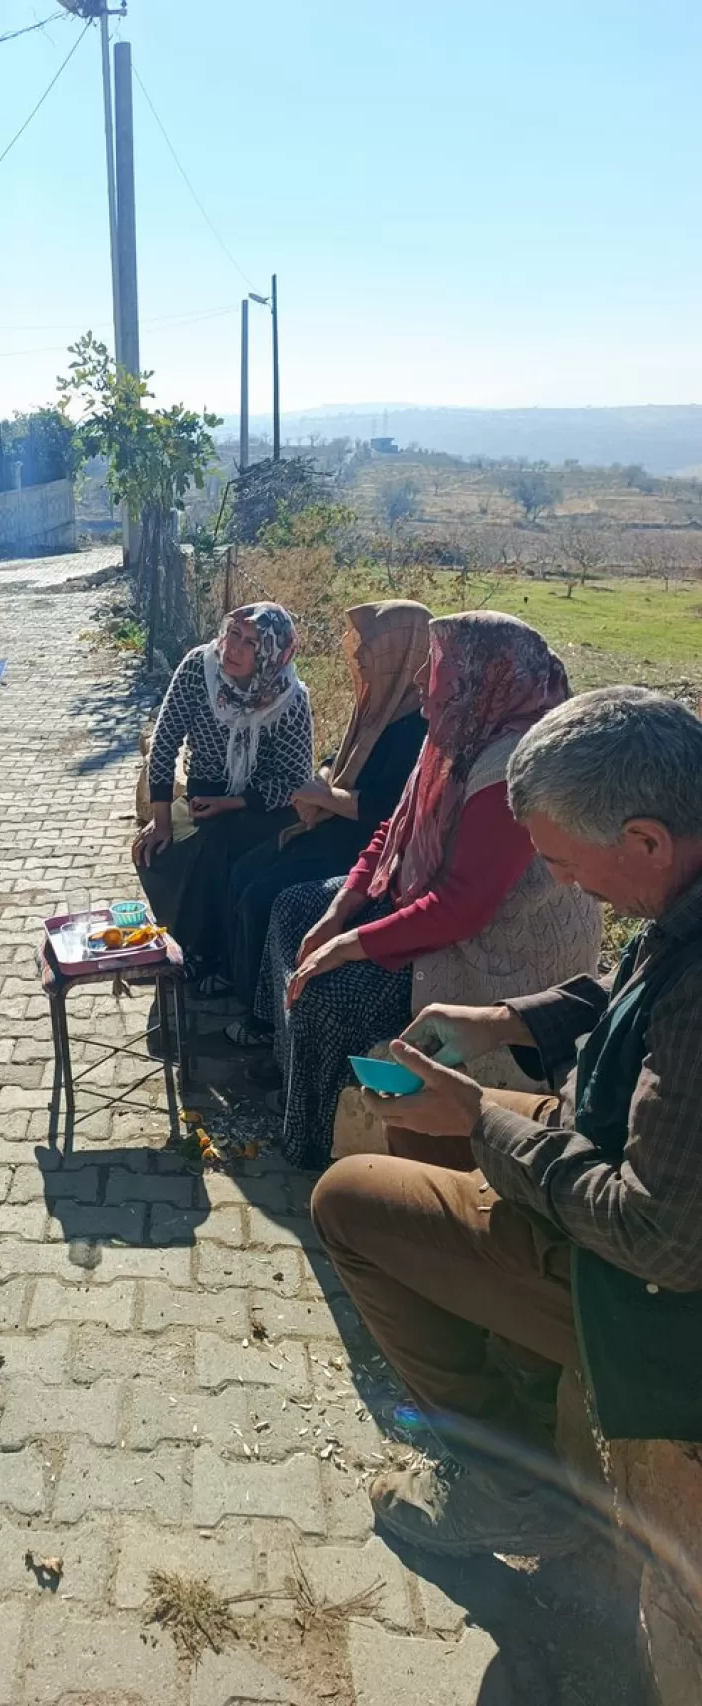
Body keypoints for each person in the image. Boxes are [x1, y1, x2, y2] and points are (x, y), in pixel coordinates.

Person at [311, 688, 702, 1556]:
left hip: (652, 1299)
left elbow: (656, 1236)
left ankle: (506, 1484)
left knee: (344, 1201)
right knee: (422, 1122)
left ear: (644, 839)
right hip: (614, 1149)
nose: (561, 883)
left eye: (564, 862)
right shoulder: (682, 890)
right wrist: (508, 1021)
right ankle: (516, 1364)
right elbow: (630, 986)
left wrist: (484, 1119)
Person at [254, 611, 602, 1171]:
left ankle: (316, 1142)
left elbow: (460, 910)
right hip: (430, 899)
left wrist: (345, 945)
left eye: (436, 666)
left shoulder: (513, 768)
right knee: (294, 909)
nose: (421, 681)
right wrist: (338, 914)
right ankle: (293, 1072)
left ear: (482, 676)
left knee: (333, 989)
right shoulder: (457, 732)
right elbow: (394, 829)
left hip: (497, 947)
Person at [223, 600, 431, 1042]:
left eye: (368, 649)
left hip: (361, 845)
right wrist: (321, 783)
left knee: (267, 896)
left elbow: (385, 810)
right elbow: (339, 760)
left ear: (399, 652)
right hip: (333, 826)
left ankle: (265, 1020)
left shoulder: (416, 724)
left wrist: (325, 796)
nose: (357, 657)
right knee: (244, 868)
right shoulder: (381, 702)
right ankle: (240, 987)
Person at [134, 602, 313, 982]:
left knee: (218, 849)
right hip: (203, 795)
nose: (234, 649)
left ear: (271, 653)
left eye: (251, 642)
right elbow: (165, 744)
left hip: (264, 806)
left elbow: (296, 781)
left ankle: (209, 959)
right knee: (153, 851)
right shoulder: (199, 669)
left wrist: (231, 803)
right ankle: (181, 944)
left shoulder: (290, 698)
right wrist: (161, 821)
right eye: (233, 633)